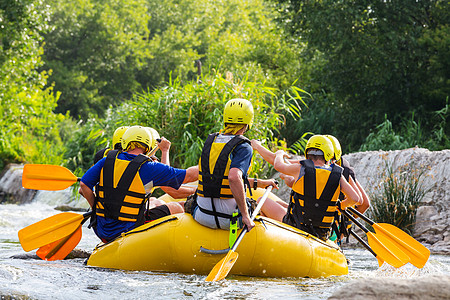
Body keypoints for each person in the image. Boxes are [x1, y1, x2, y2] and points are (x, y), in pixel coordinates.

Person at [79, 125, 199, 242]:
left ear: (125, 142)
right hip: (129, 229)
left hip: (101, 229)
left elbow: (84, 185)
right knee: (177, 207)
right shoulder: (148, 167)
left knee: (154, 201)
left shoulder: (106, 160)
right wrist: (210, 164)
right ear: (148, 146)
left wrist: (96, 208)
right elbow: (189, 175)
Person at [191, 98, 278, 232]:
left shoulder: (211, 141)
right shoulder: (243, 147)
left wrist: (261, 182)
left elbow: (222, 180)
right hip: (229, 219)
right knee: (258, 205)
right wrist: (245, 216)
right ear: (248, 122)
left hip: (201, 215)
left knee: (188, 202)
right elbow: (233, 177)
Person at [251, 135, 361, 240]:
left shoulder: (300, 169)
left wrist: (279, 154)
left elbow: (278, 165)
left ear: (307, 153)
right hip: (322, 232)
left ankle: (273, 239)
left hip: (296, 225)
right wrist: (341, 206)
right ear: (328, 155)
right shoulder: (338, 175)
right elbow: (355, 199)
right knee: (281, 205)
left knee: (261, 200)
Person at [324, 134, 370, 242]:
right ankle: (337, 240)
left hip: (322, 226)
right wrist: (346, 218)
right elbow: (364, 203)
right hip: (337, 229)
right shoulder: (345, 171)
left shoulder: (318, 168)